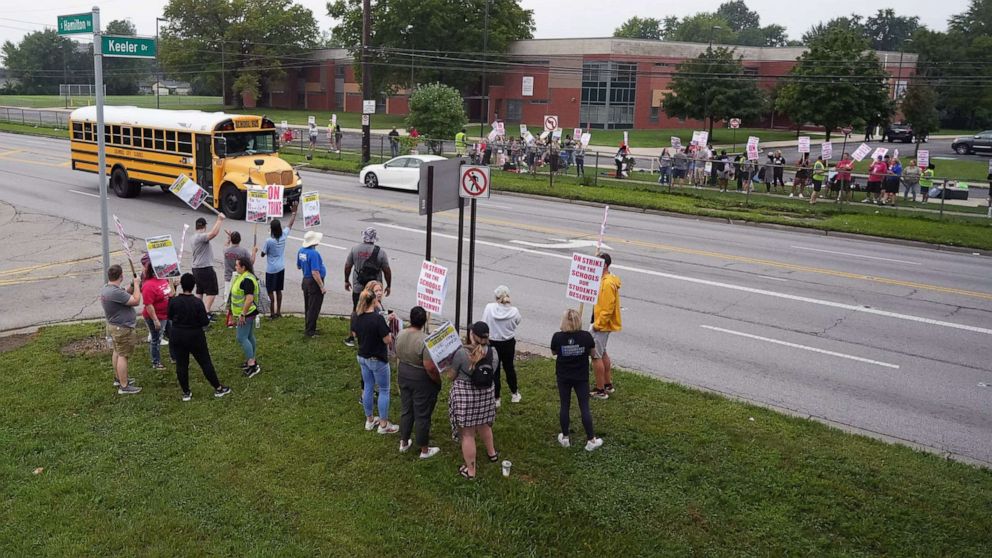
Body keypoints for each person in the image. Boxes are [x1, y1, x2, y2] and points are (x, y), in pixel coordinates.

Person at [444, 322, 499, 480]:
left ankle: (471, 471)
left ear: (472, 335)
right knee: (485, 424)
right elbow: (492, 372)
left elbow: (451, 376)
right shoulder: (494, 353)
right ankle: (492, 453)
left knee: (468, 434)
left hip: (466, 397)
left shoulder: (461, 353)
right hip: (486, 394)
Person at [168, 273, 231, 401]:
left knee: (181, 364)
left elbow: (169, 315)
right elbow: (204, 322)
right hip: (195, 335)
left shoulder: (174, 301)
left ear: (181, 285)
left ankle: (186, 392)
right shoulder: (197, 303)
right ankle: (218, 388)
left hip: (177, 334)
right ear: (193, 286)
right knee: (205, 362)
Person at [551, 309, 604, 451]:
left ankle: (565, 437)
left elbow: (554, 352)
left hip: (563, 376)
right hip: (581, 377)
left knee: (564, 405)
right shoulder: (586, 337)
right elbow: (593, 353)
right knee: (584, 407)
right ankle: (591, 439)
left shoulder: (557, 337)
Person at [395, 306, 441, 459]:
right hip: (420, 379)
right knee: (422, 414)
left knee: (406, 409)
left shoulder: (401, 334)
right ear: (424, 321)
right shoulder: (424, 341)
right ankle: (424, 449)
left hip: (403, 373)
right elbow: (430, 367)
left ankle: (404, 441)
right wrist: (436, 381)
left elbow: (397, 354)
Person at [352, 287, 400, 434]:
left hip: (362, 356)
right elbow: (386, 340)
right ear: (374, 301)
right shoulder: (377, 318)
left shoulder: (355, 316)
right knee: (384, 390)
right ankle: (384, 425)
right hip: (377, 359)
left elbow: (354, 334)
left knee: (368, 387)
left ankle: (370, 420)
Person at [343, 227, 391, 347]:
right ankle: (376, 334)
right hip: (375, 288)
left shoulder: (355, 249)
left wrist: (346, 280)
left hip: (358, 286)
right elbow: (387, 270)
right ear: (374, 239)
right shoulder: (380, 252)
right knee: (376, 310)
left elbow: (348, 266)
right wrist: (389, 285)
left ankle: (352, 337)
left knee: (356, 310)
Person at [101, 264, 142, 394]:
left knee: (117, 353)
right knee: (123, 356)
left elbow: (124, 292)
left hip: (114, 327)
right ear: (121, 276)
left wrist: (132, 284)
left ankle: (119, 379)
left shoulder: (107, 289)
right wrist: (136, 284)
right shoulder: (115, 292)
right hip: (122, 329)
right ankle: (124, 386)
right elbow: (136, 300)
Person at [482, 285, 522, 407]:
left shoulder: (489, 308)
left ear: (496, 297)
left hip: (493, 342)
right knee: (509, 367)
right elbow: (517, 322)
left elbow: (484, 323)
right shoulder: (514, 311)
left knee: (495, 370)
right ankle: (514, 394)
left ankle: (496, 398)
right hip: (508, 342)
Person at [591, 253, 621, 400]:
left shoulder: (608, 283)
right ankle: (608, 384)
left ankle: (600, 389)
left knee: (595, 356)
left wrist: (598, 324)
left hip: (601, 325)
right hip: (601, 324)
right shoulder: (604, 280)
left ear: (604, 265)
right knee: (602, 353)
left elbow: (608, 308)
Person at [260, 202, 298, 319]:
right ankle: (278, 311)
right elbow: (290, 224)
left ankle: (272, 313)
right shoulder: (283, 236)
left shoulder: (269, 241)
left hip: (271, 269)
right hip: (281, 267)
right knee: (278, 291)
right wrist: (294, 212)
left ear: (271, 229)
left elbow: (262, 254)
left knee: (270, 291)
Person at [140, 253, 174, 370]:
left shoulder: (163, 279)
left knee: (172, 335)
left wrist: (172, 283)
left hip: (166, 314)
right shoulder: (148, 285)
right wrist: (155, 320)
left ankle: (174, 357)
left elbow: (170, 294)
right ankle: (156, 362)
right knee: (156, 339)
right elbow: (148, 305)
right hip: (155, 316)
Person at [230, 256, 261, 378]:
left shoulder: (247, 279)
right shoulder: (244, 276)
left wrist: (242, 314)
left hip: (246, 313)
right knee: (249, 336)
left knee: (241, 337)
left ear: (243, 267)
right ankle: (252, 359)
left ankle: (252, 364)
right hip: (249, 312)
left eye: (237, 265)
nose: (235, 267)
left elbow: (249, 299)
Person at [191, 214, 224, 315]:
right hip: (205, 268)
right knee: (212, 292)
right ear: (205, 226)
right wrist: (219, 220)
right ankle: (206, 312)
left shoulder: (193, 237)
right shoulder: (200, 237)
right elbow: (213, 233)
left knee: (199, 291)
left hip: (196, 268)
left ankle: (197, 312)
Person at [296, 230, 326, 338]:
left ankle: (309, 327)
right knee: (314, 307)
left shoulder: (301, 251)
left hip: (305, 280)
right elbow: (315, 272)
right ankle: (310, 332)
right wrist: (322, 286)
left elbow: (299, 266)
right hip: (314, 282)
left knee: (308, 305)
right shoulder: (314, 253)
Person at [222, 230, 255, 310]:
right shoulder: (243, 251)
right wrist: (254, 252)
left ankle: (228, 316)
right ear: (240, 240)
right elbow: (251, 262)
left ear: (231, 240)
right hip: (239, 278)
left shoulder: (226, 250)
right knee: (239, 298)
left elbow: (226, 245)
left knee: (228, 298)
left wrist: (228, 238)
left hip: (228, 278)